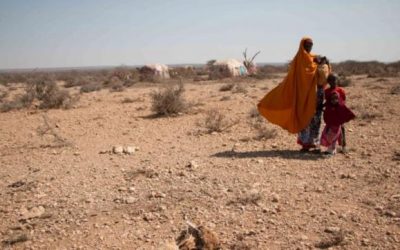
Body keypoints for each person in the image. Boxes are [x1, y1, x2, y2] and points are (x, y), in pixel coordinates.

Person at [257, 37, 321, 136]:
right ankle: (305, 143)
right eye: (307, 45)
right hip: (299, 92)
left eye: (311, 45)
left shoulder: (313, 58)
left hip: (310, 92)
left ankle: (312, 141)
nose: (309, 47)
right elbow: (303, 73)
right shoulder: (299, 59)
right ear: (302, 46)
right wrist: (316, 64)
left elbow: (315, 71)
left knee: (310, 115)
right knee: (301, 114)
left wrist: (319, 63)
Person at [297, 56, 331, 152]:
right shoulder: (308, 67)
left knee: (316, 119)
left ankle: (315, 143)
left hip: (318, 94)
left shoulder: (324, 67)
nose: (317, 60)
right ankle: (305, 144)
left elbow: (324, 79)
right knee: (306, 118)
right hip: (307, 94)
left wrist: (321, 65)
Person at [320, 91, 355, 155]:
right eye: (332, 99)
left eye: (336, 98)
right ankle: (331, 150)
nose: (334, 100)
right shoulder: (329, 106)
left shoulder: (341, 106)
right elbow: (327, 114)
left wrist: (344, 120)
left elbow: (349, 113)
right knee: (328, 136)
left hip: (336, 126)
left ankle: (331, 150)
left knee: (332, 137)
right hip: (329, 125)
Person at [325, 73, 348, 152]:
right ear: (328, 81)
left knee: (342, 127)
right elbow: (327, 101)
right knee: (331, 129)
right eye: (331, 80)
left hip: (339, 112)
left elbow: (343, 100)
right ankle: (331, 146)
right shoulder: (327, 91)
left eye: (335, 80)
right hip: (330, 113)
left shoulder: (340, 90)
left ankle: (343, 145)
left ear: (337, 80)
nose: (333, 82)